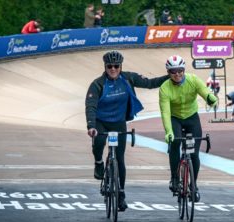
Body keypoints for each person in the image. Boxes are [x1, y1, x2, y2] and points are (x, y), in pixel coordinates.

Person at [85, 51, 169, 211]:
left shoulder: (128, 78)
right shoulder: (97, 84)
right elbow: (90, 106)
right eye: (110, 66)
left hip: (118, 122)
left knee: (120, 159)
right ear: (105, 67)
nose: (113, 69)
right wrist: (91, 126)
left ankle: (121, 194)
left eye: (116, 66)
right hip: (101, 122)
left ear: (120, 66)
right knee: (100, 142)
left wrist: (170, 75)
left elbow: (150, 83)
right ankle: (98, 163)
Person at [159, 55, 217, 202]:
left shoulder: (193, 80)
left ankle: (193, 186)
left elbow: (205, 92)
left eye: (180, 70)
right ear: (168, 73)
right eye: (173, 71)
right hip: (174, 118)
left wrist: (211, 99)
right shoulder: (165, 88)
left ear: (184, 70)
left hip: (191, 118)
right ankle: (174, 178)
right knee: (175, 143)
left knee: (194, 154)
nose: (177, 74)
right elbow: (165, 113)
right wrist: (169, 132)